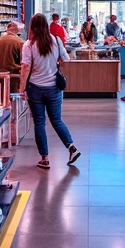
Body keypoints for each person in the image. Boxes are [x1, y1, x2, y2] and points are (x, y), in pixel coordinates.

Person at [20, 12, 81, 170]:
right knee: (56, 120)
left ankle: (45, 158)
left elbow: (25, 67)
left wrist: (21, 88)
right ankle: (71, 147)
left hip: (35, 88)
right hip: (54, 87)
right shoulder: (55, 40)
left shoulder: (29, 45)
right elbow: (66, 59)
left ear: (32, 27)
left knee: (39, 122)